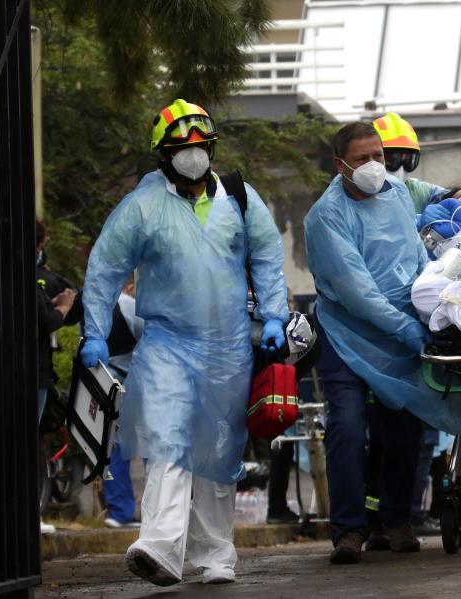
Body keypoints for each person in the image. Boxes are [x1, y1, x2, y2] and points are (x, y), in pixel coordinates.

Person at [80, 99, 298, 586]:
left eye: (201, 146)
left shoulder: (239, 197)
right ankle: (159, 548)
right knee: (169, 440)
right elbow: (105, 269)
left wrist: (273, 315)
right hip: (167, 345)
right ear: (163, 155)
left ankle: (216, 556)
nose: (194, 155)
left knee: (219, 452)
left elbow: (265, 255)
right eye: (183, 147)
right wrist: (94, 331)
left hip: (230, 347)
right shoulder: (142, 206)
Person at [304, 121, 461, 565]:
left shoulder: (399, 195)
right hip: (348, 334)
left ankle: (396, 520)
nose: (374, 166)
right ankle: (348, 530)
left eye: (378, 156)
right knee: (346, 427)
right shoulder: (326, 216)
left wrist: (438, 292)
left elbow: (415, 255)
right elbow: (356, 290)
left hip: (404, 324)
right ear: (340, 165)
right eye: (362, 159)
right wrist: (404, 328)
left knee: (407, 424)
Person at [373, 112, 461, 227]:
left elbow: (453, 196)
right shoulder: (360, 195)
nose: (400, 169)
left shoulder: (417, 190)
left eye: (408, 160)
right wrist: (416, 221)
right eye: (391, 159)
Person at [36, 220, 77, 536]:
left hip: (35, 373)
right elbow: (48, 320)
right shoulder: (36, 280)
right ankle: (30, 513)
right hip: (33, 374)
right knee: (30, 444)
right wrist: (62, 308)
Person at [102, 279, 144, 529]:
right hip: (133, 383)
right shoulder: (128, 306)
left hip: (103, 383)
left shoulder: (94, 308)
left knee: (112, 447)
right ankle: (158, 511)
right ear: (128, 284)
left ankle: (119, 512)